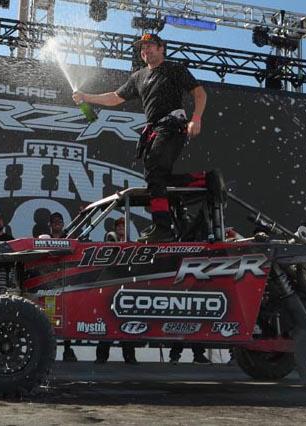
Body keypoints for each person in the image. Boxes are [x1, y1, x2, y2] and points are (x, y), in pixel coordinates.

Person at [72, 33, 207, 242]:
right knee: (156, 178)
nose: (146, 50)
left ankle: (163, 228)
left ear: (162, 48)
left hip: (172, 126)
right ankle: (206, 180)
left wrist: (196, 118)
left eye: (150, 45)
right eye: (142, 48)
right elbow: (115, 98)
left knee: (154, 171)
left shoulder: (174, 69)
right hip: (154, 130)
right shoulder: (139, 76)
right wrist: (85, 97)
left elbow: (200, 93)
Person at [96, 218, 138, 364]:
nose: (121, 228)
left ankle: (130, 357)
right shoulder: (110, 240)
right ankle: (101, 357)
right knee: (107, 322)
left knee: (127, 323)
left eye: (123, 226)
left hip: (127, 288)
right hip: (110, 288)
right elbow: (108, 246)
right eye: (118, 226)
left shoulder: (133, 245)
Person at [43, 212, 77, 362]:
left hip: (66, 284)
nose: (57, 223)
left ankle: (68, 350)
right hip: (49, 285)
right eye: (54, 221)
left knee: (67, 317)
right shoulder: (44, 240)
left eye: (60, 221)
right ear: (49, 225)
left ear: (63, 224)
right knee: (49, 318)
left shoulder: (69, 239)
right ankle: (49, 352)